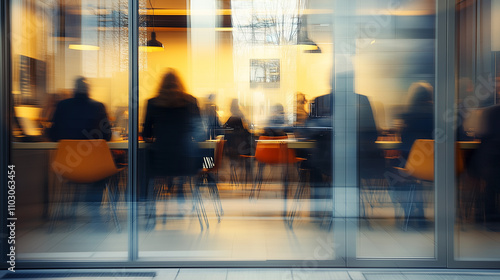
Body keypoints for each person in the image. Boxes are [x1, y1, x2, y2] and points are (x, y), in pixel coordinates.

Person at [142, 69, 204, 225]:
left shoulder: (152, 103)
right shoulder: (191, 102)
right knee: (182, 156)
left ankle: (149, 206)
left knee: (146, 162)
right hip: (186, 161)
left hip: (160, 161)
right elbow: (200, 132)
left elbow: (146, 133)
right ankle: (180, 190)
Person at [49, 76, 112, 227]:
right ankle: (93, 209)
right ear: (88, 90)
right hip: (95, 169)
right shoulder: (98, 106)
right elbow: (107, 136)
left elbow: (52, 135)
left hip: (67, 167)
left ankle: (69, 211)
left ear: (74, 89)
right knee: (104, 171)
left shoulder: (62, 106)